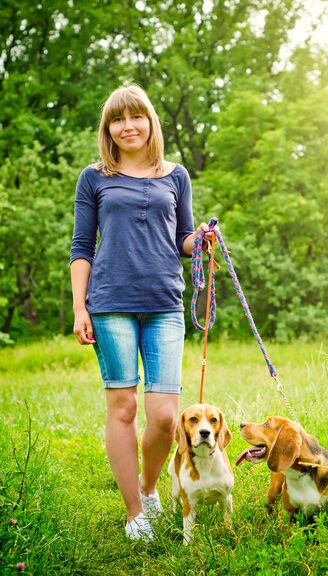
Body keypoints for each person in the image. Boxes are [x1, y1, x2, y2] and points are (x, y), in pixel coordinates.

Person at [70, 82, 209, 542]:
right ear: (108, 128)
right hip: (109, 303)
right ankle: (135, 513)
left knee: (167, 417)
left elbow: (183, 240)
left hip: (164, 303)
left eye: (136, 117)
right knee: (124, 406)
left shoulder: (176, 175)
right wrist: (79, 307)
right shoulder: (95, 177)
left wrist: (203, 240)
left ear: (151, 122)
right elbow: (81, 248)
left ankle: (148, 488)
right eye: (117, 119)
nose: (128, 126)